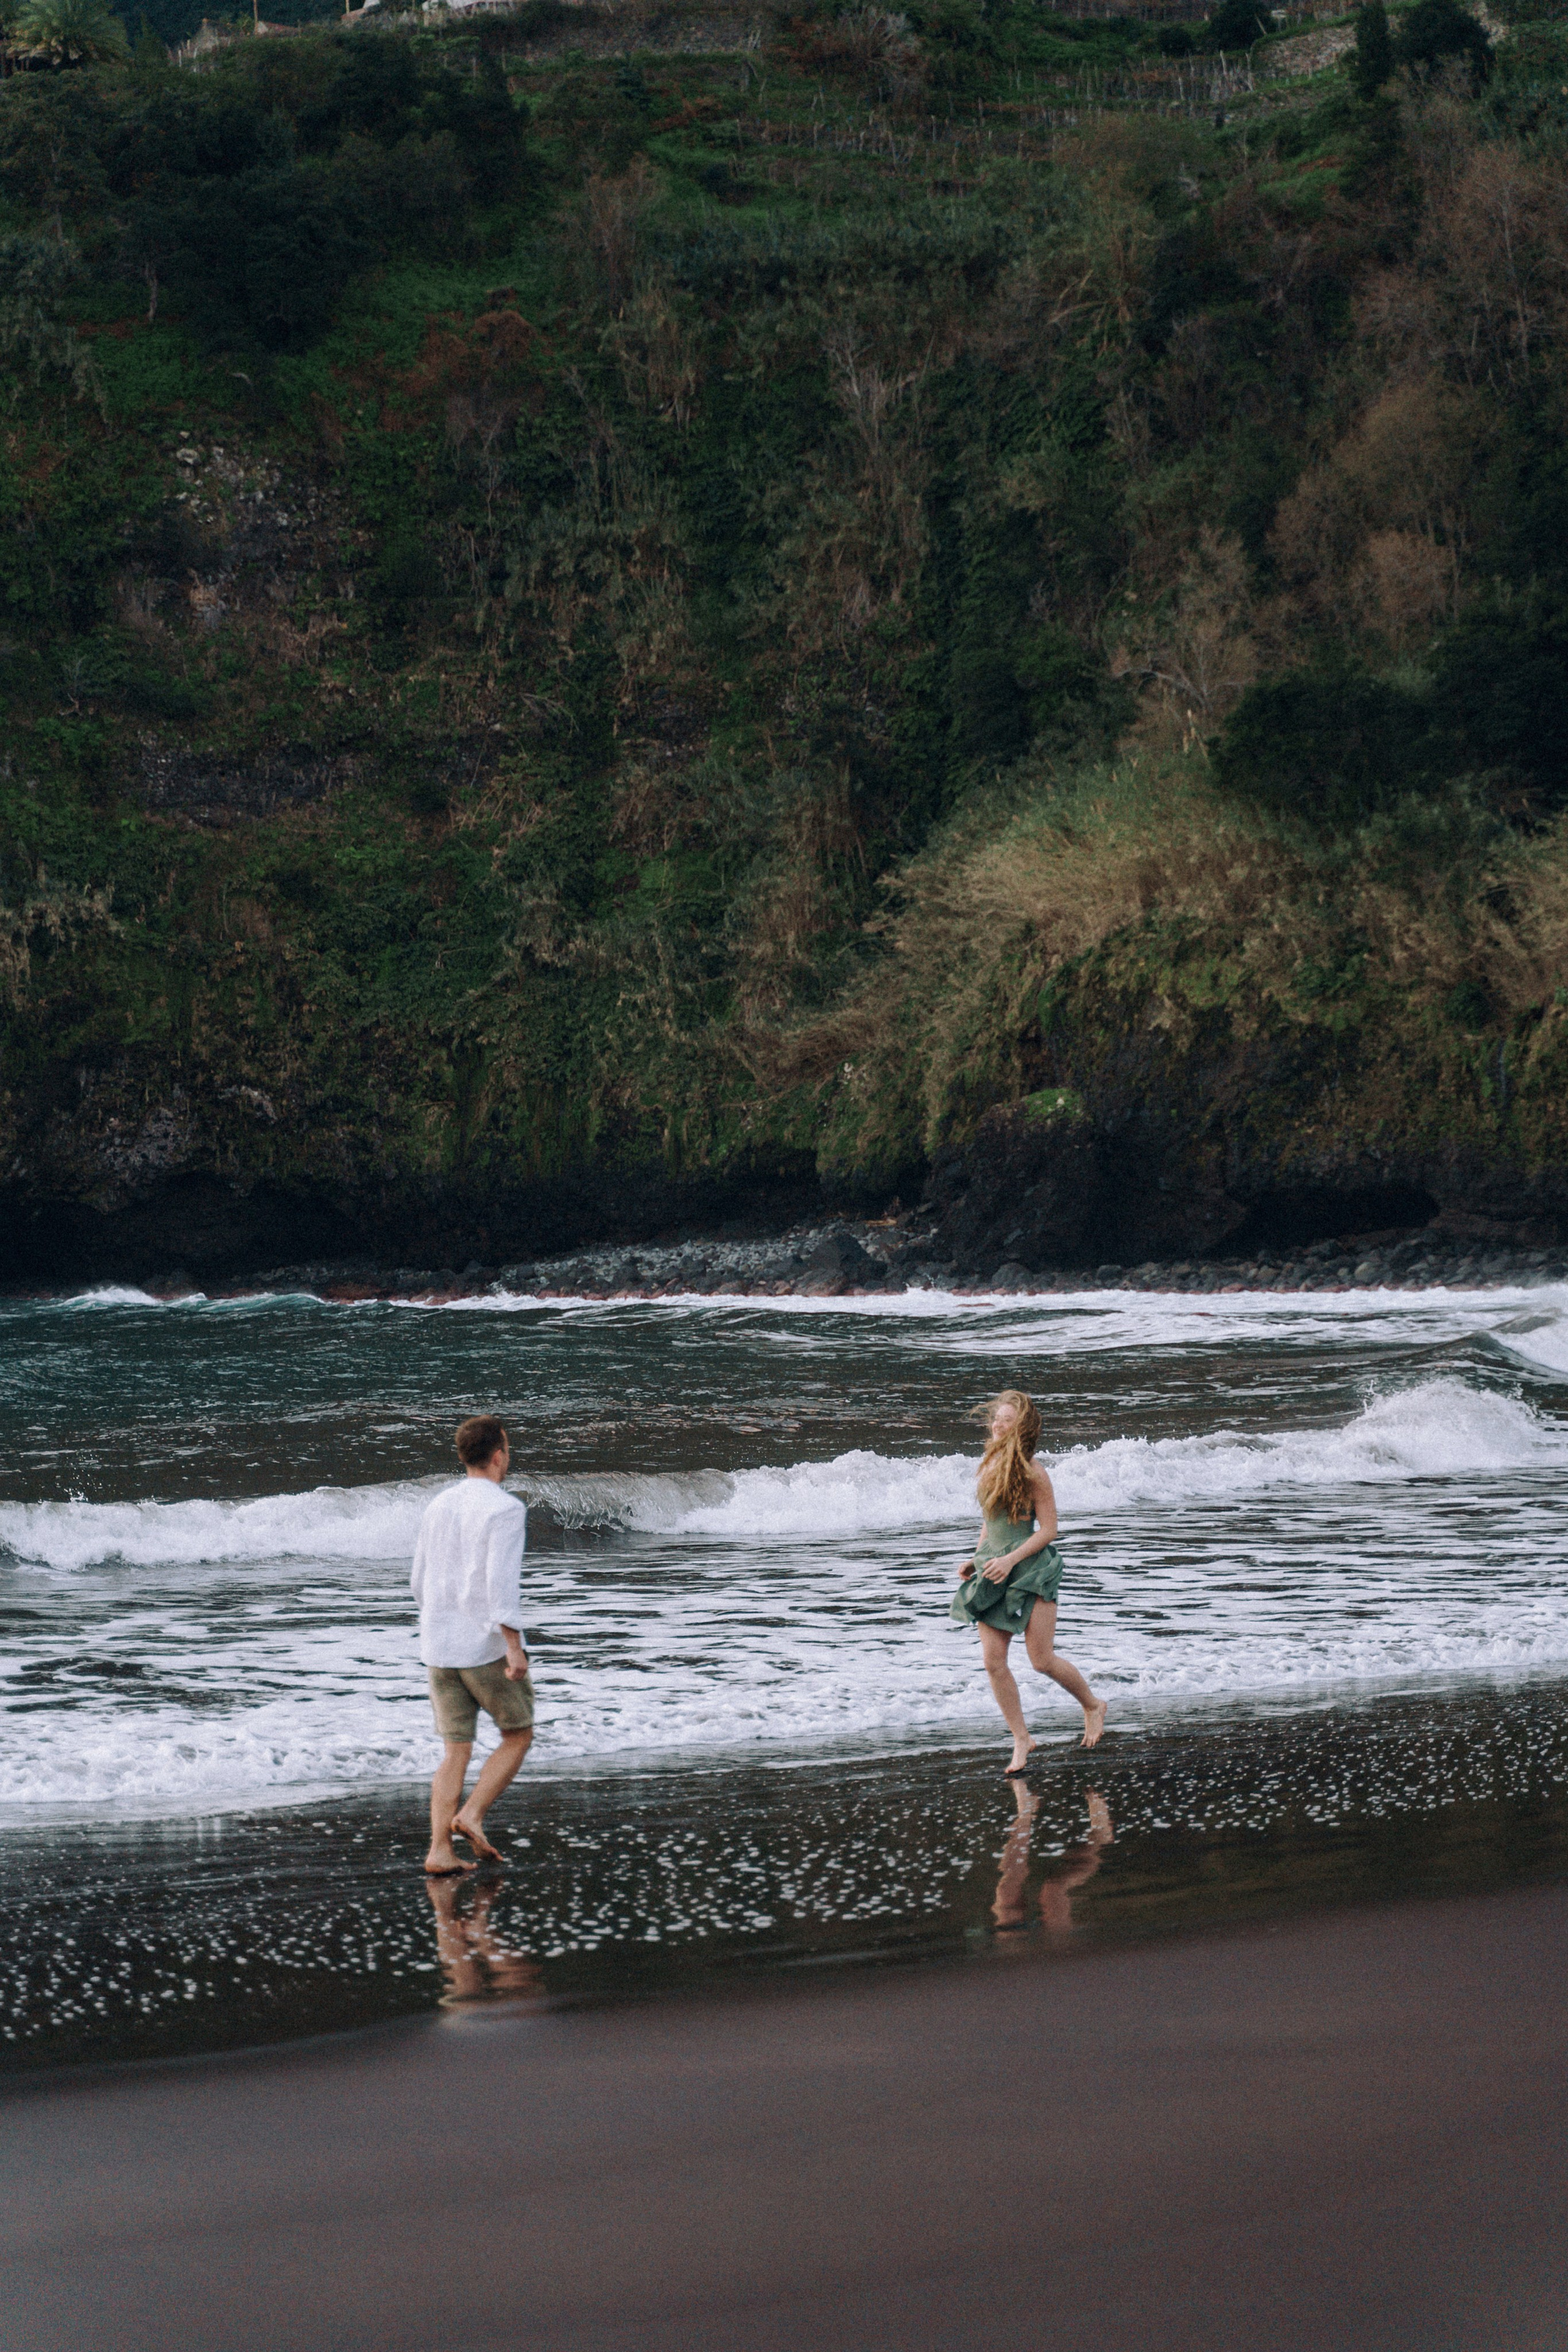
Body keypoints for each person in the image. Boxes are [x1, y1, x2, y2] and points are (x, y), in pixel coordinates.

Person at [951, 1389, 1107, 1771]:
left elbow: (1049, 1530)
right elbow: (990, 1525)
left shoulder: (1035, 1472)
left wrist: (1011, 1559)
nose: (999, 1424)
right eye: (996, 1418)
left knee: (1041, 1660)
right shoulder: (988, 1466)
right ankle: (1022, 1739)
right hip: (994, 1569)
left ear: (1023, 1428)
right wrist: (976, 1559)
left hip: (1033, 1569)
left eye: (1008, 1419)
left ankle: (1092, 1705)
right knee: (993, 1662)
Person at [411, 1414, 533, 1877]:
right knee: (518, 1733)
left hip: (437, 1644)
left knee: (455, 1750)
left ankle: (439, 1852)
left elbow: (418, 1581)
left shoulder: (438, 1504)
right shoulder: (504, 1508)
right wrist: (514, 1647)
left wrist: (438, 1621)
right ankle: (473, 1815)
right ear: (498, 1455)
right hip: (482, 1647)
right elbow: (500, 1587)